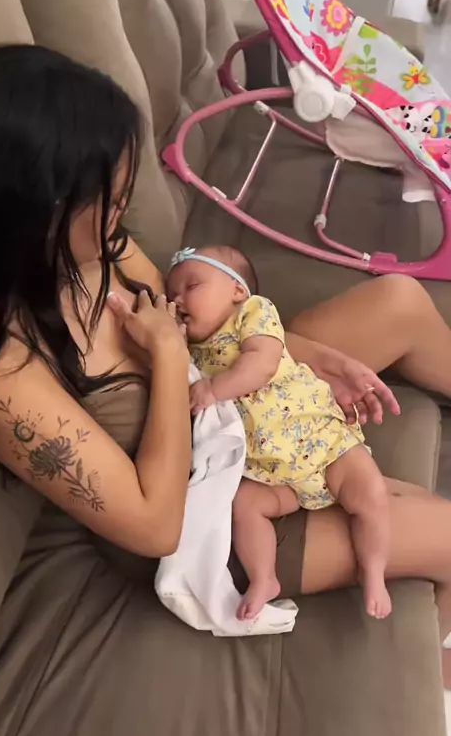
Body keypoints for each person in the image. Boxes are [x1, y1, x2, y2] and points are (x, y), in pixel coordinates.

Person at [0, 45, 451, 684]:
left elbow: (198, 330)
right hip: (211, 510)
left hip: (230, 398)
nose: (123, 208)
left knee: (399, 302)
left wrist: (298, 355)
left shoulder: (98, 249)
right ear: (42, 208)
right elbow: (154, 526)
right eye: (108, 197)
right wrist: (170, 361)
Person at [167, 246, 391, 621]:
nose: (178, 300)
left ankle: (374, 572)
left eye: (191, 286)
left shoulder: (253, 314)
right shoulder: (191, 350)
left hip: (322, 443)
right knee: (245, 506)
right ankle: (263, 578)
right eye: (172, 294)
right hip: (269, 473)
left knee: (371, 497)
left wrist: (213, 389)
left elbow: (262, 365)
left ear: (237, 291)